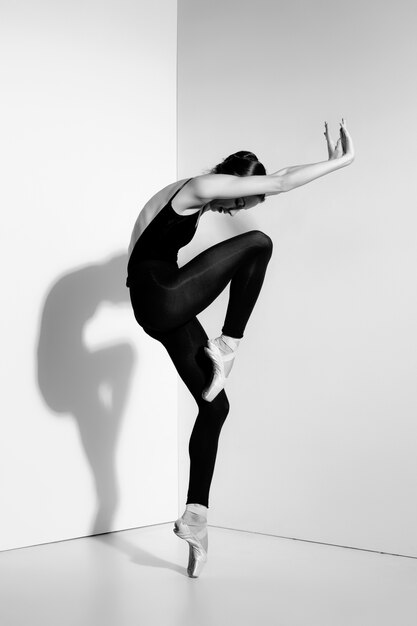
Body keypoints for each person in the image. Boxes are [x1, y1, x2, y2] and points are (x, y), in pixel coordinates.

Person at [126, 119, 354, 577]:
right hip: (159, 293)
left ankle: (195, 517)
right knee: (258, 244)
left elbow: (139, 251)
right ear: (236, 183)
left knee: (215, 404)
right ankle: (228, 342)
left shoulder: (185, 196)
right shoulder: (200, 186)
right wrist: (340, 162)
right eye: (246, 199)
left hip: (157, 301)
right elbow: (285, 178)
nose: (239, 208)